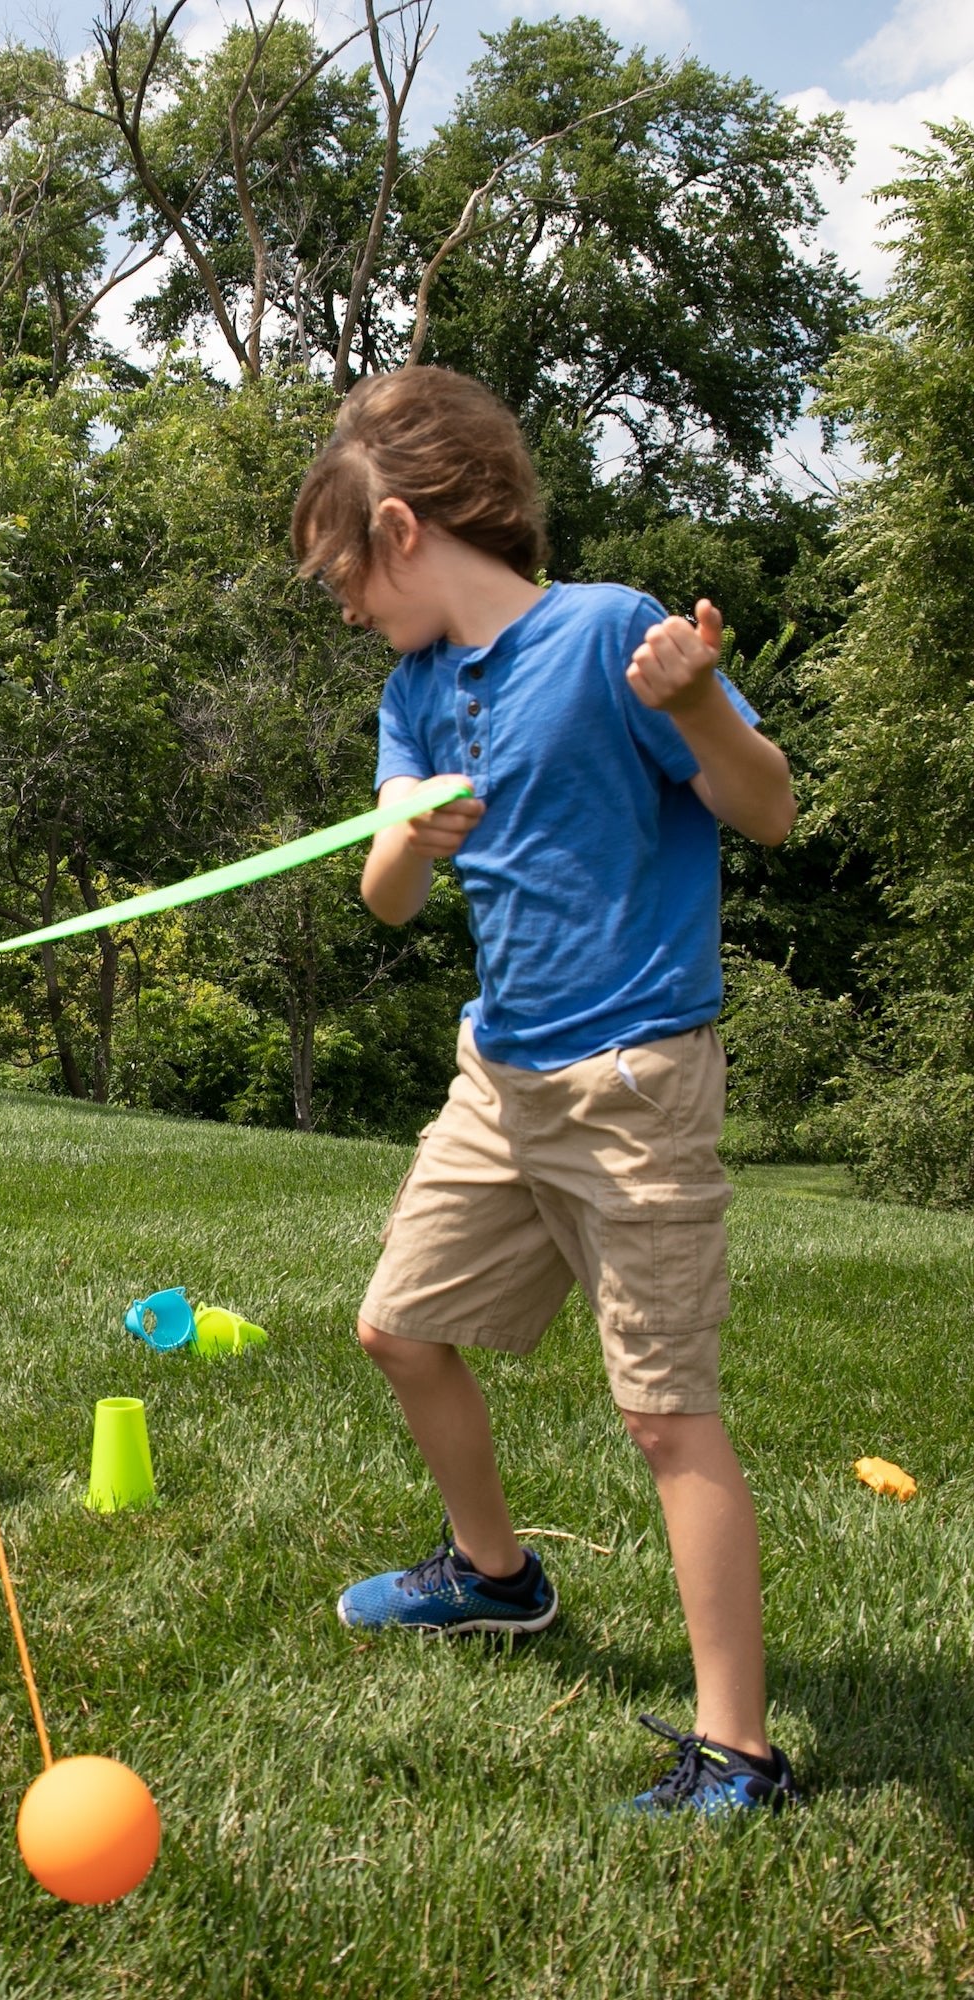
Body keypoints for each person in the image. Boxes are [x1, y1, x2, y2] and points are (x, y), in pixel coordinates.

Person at [292, 368, 802, 1814]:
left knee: (662, 1412)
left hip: (632, 1078)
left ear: (399, 528)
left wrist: (698, 705)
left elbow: (764, 808)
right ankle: (497, 1579)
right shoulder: (417, 690)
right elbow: (388, 901)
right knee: (398, 1327)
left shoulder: (604, 635)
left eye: (341, 575)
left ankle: (738, 1751)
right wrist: (416, 834)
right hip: (498, 1074)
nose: (342, 609)